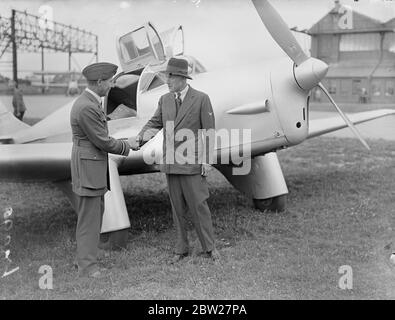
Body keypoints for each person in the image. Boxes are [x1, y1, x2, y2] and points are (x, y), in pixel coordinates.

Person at [130, 57, 219, 263]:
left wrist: (207, 160)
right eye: (166, 77)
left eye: (169, 77)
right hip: (171, 164)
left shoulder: (201, 99)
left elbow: (210, 132)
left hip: (192, 164)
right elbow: (154, 123)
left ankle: (209, 248)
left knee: (199, 206)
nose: (167, 81)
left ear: (181, 78)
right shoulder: (165, 100)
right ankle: (181, 248)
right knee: (177, 208)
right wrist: (139, 140)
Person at [70, 62, 131, 278]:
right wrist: (128, 145)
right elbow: (103, 141)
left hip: (92, 167)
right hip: (89, 168)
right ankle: (87, 267)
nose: (112, 85)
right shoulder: (87, 106)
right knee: (89, 220)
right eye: (110, 81)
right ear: (99, 82)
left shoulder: (90, 102)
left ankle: (87, 261)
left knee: (95, 216)